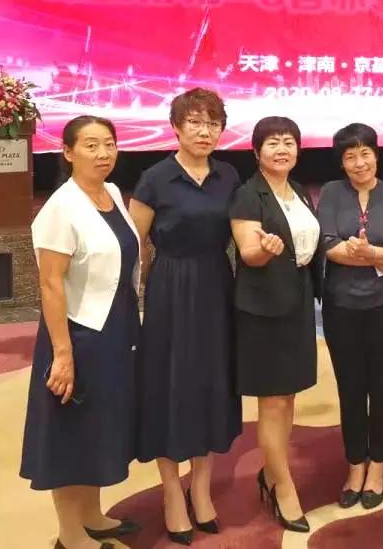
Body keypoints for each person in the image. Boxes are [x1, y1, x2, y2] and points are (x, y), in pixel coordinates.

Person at [21, 116, 141, 549]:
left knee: (98, 425)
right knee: (70, 430)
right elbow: (51, 283)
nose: (103, 153)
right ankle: (70, 534)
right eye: (91, 145)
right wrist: (63, 353)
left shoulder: (111, 193)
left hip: (115, 326)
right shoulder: (61, 207)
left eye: (109, 144)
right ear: (68, 152)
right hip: (78, 334)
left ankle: (92, 514)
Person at [129, 89, 242, 544]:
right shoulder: (155, 178)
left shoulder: (228, 175)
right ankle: (172, 492)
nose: (204, 131)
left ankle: (201, 487)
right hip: (170, 289)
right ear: (176, 127)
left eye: (213, 123)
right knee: (169, 384)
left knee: (211, 383)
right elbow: (133, 247)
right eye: (194, 122)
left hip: (217, 285)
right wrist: (129, 302)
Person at [316, 123, 383, 510]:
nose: (359, 163)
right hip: (341, 308)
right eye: (350, 156)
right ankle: (355, 464)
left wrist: (369, 253)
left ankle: (378, 465)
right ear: (341, 162)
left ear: (376, 154)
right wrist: (380, 256)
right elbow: (328, 245)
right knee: (351, 389)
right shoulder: (331, 193)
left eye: (365, 153)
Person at [229, 116, 322, 532]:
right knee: (272, 402)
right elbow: (249, 253)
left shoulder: (298, 190)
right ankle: (283, 488)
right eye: (272, 143)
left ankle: (272, 472)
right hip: (263, 310)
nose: (282, 149)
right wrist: (265, 249)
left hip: (296, 303)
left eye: (289, 142)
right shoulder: (249, 195)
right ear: (256, 151)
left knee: (288, 398)